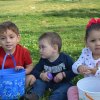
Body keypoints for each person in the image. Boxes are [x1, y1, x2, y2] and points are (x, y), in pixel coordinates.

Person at [24, 32, 77, 100]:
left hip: (64, 83)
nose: (40, 50)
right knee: (39, 82)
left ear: (55, 48)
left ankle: (55, 98)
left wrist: (63, 74)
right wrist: (41, 75)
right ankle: (34, 95)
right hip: (47, 82)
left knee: (64, 90)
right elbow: (34, 71)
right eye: (39, 47)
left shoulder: (65, 58)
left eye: (43, 47)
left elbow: (75, 71)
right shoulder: (43, 60)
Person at [67, 18, 100, 100]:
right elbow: (75, 65)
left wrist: (96, 71)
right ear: (86, 42)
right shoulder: (86, 53)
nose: (98, 43)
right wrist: (79, 67)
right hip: (87, 89)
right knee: (72, 90)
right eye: (93, 40)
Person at [0, 21, 36, 88]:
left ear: (18, 38)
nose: (8, 41)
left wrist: (23, 71)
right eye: (3, 38)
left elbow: (30, 66)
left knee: (31, 78)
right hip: (2, 81)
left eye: (11, 37)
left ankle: (20, 91)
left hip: (18, 80)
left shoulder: (24, 52)